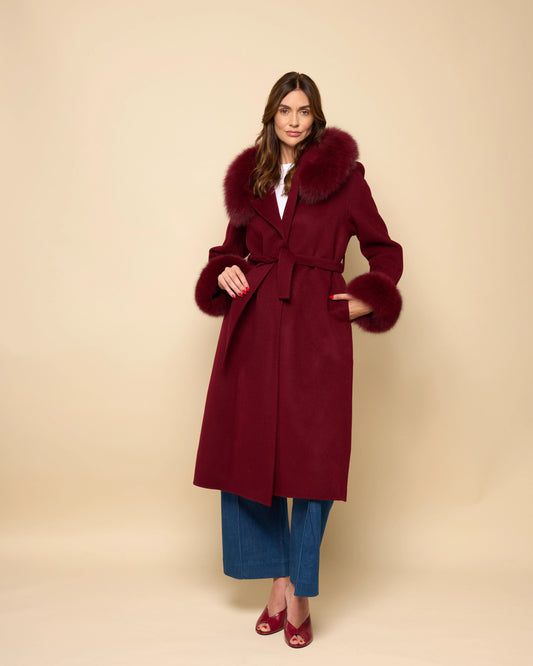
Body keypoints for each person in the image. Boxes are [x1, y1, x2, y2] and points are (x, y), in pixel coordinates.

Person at [193, 71, 403, 648]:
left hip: (316, 326)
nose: (293, 120)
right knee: (251, 453)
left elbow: (384, 249)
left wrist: (369, 297)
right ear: (271, 115)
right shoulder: (252, 178)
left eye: (303, 111)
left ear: (316, 117)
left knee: (313, 460)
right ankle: (278, 583)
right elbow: (229, 250)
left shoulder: (345, 178)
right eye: (285, 110)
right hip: (255, 324)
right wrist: (224, 270)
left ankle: (301, 592)